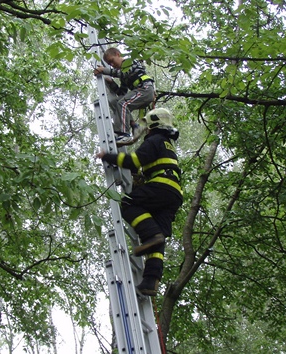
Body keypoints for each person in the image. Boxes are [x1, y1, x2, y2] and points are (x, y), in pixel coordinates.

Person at [95, 108, 183, 296]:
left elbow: (133, 161)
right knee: (159, 241)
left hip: (162, 185)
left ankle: (151, 236)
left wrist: (107, 156)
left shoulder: (154, 140)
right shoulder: (167, 144)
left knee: (127, 203)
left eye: (146, 126)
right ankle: (150, 282)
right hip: (174, 192)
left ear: (152, 126)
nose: (145, 130)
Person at [93, 47, 155, 146]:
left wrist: (104, 70)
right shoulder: (123, 75)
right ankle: (134, 125)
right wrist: (112, 83)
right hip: (141, 91)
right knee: (117, 101)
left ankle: (124, 134)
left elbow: (122, 73)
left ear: (118, 54)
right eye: (109, 64)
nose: (112, 65)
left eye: (112, 61)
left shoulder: (130, 62)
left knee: (123, 103)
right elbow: (122, 93)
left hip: (145, 89)